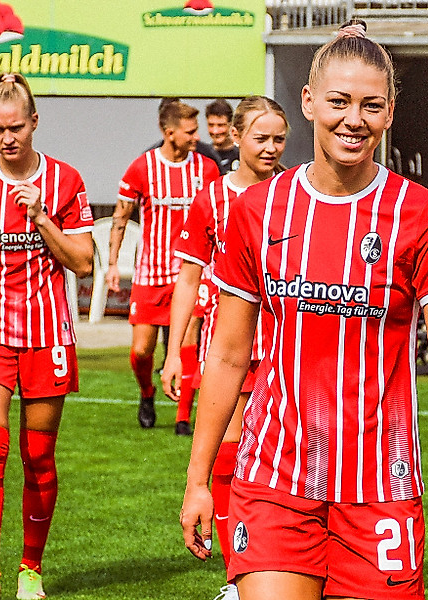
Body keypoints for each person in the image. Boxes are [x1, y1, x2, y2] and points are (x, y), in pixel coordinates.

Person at [179, 19, 428, 600]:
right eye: (339, 102)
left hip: (381, 483)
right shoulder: (258, 210)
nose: (353, 119)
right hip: (275, 478)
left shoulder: (424, 214)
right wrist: (198, 479)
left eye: (371, 105)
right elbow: (229, 355)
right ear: (309, 102)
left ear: (389, 113)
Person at [162, 95, 288, 600]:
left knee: (285, 459)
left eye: (279, 139)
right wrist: (175, 352)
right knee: (229, 453)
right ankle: (239, 575)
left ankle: (294, 563)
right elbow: (188, 278)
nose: (271, 148)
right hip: (230, 345)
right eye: (261, 138)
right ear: (235, 137)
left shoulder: (295, 193)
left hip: (286, 344)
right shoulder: (211, 199)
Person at [0, 73, 94, 600]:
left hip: (48, 336)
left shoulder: (65, 179)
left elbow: (83, 263)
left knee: (38, 456)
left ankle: (30, 568)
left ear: (34, 122)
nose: (7, 138)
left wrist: (41, 217)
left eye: (16, 128)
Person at [109, 99, 218, 429]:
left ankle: (183, 417)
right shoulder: (142, 168)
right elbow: (121, 216)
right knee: (142, 350)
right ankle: (147, 392)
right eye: (190, 131)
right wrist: (112, 263)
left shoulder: (206, 169)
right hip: (151, 272)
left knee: (188, 342)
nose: (196, 137)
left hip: (193, 270)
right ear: (169, 133)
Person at [205, 99, 240, 175]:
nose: (215, 131)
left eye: (220, 125)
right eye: (211, 125)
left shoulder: (241, 154)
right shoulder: (203, 155)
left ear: (231, 124)